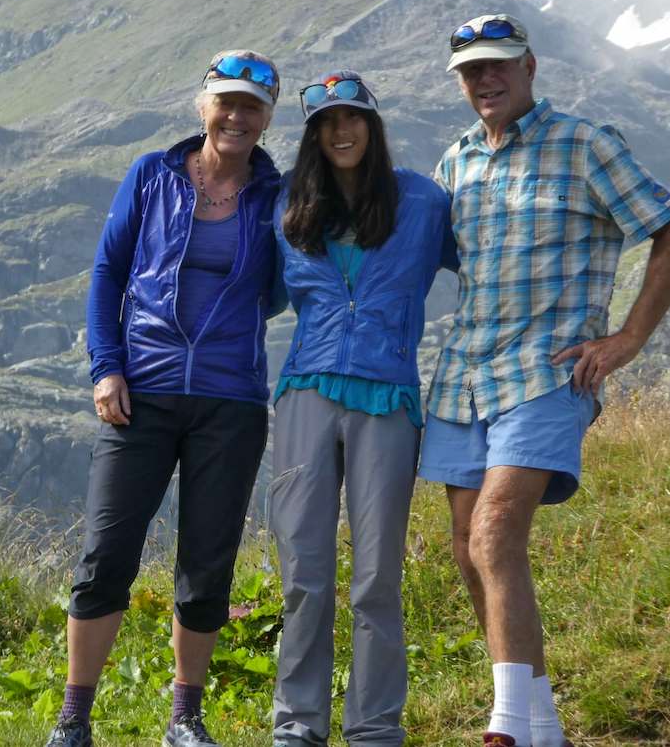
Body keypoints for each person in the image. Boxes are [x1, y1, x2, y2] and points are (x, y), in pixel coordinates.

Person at [418, 15, 670, 747]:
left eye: (499, 66)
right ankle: (541, 725)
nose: (486, 80)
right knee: (463, 544)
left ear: (530, 66)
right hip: (464, 377)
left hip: (547, 372)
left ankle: (508, 724)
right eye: (471, 71)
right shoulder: (456, 163)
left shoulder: (584, 144)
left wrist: (629, 338)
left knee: (495, 531)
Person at [44, 50, 283, 747]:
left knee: (207, 566)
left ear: (268, 118)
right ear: (203, 106)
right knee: (105, 555)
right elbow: (108, 274)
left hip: (231, 401)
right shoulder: (153, 175)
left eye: (252, 107)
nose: (237, 116)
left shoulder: (279, 195)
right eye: (227, 102)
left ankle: (185, 719)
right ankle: (73, 719)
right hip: (138, 394)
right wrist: (106, 367)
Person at [269, 70, 456, 747]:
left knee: (377, 577)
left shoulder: (424, 202)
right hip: (306, 396)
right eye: (326, 122)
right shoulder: (289, 208)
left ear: (372, 126)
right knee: (305, 575)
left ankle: (375, 729)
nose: (340, 131)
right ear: (313, 136)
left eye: (352, 118)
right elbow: (253, 294)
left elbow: (486, 267)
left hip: (388, 398)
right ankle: (297, 726)